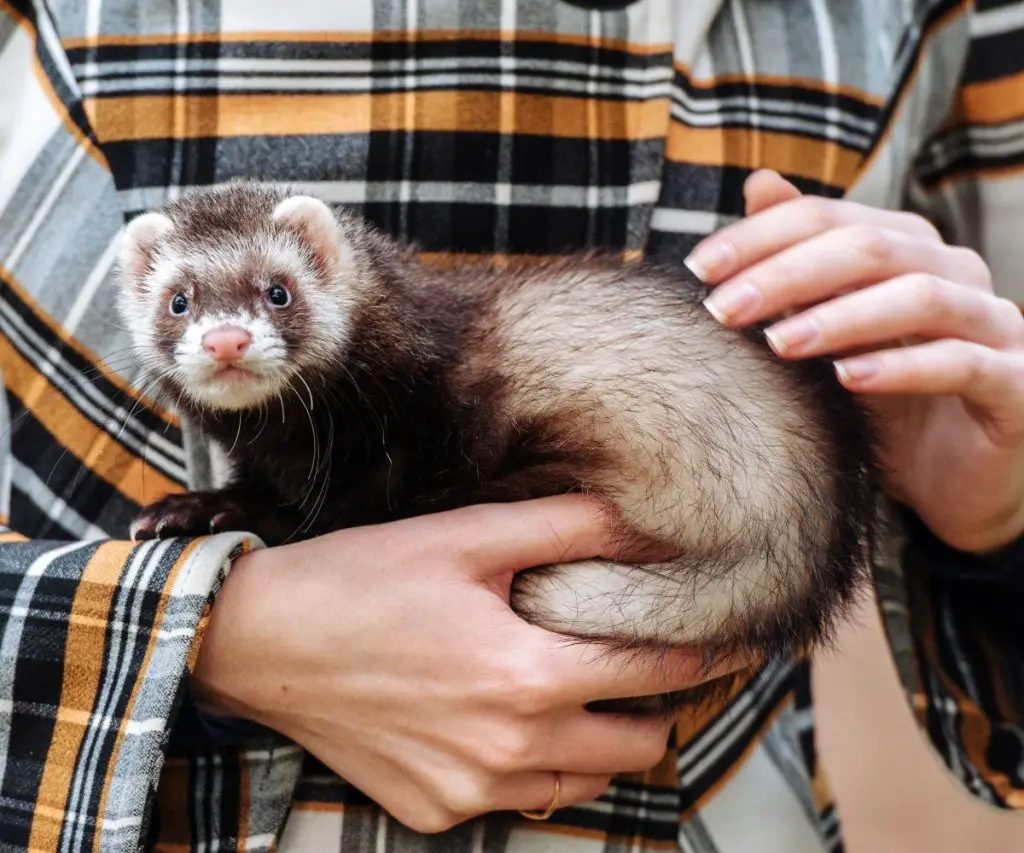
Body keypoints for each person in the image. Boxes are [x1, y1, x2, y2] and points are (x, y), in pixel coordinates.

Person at [0, 1, 1021, 851]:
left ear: (326, 267)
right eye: (182, 307)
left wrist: (997, 522)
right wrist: (197, 636)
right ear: (142, 296)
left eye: (268, 296)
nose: (223, 337)